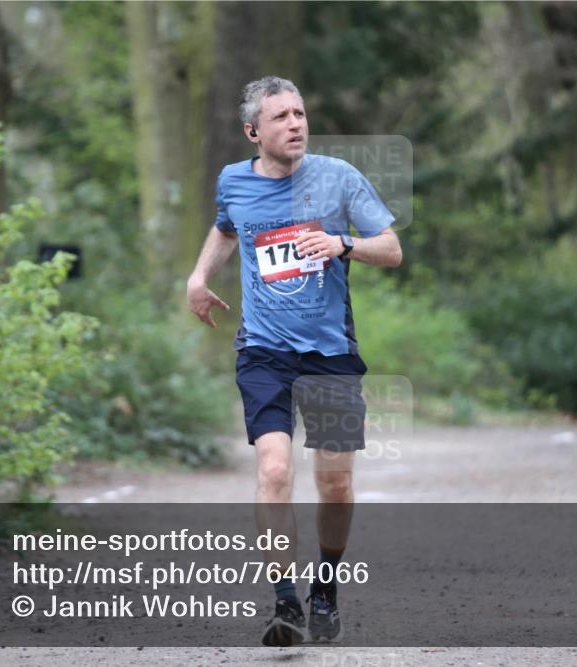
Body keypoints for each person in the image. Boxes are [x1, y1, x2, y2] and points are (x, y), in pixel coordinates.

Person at [186, 76, 402, 646]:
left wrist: (343, 244)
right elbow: (227, 227)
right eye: (281, 117)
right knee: (274, 470)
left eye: (301, 113)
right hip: (263, 351)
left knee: (334, 485)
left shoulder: (338, 178)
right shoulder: (233, 179)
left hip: (330, 354)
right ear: (254, 131)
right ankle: (285, 605)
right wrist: (199, 276)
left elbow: (393, 249)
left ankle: (325, 587)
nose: (296, 124)